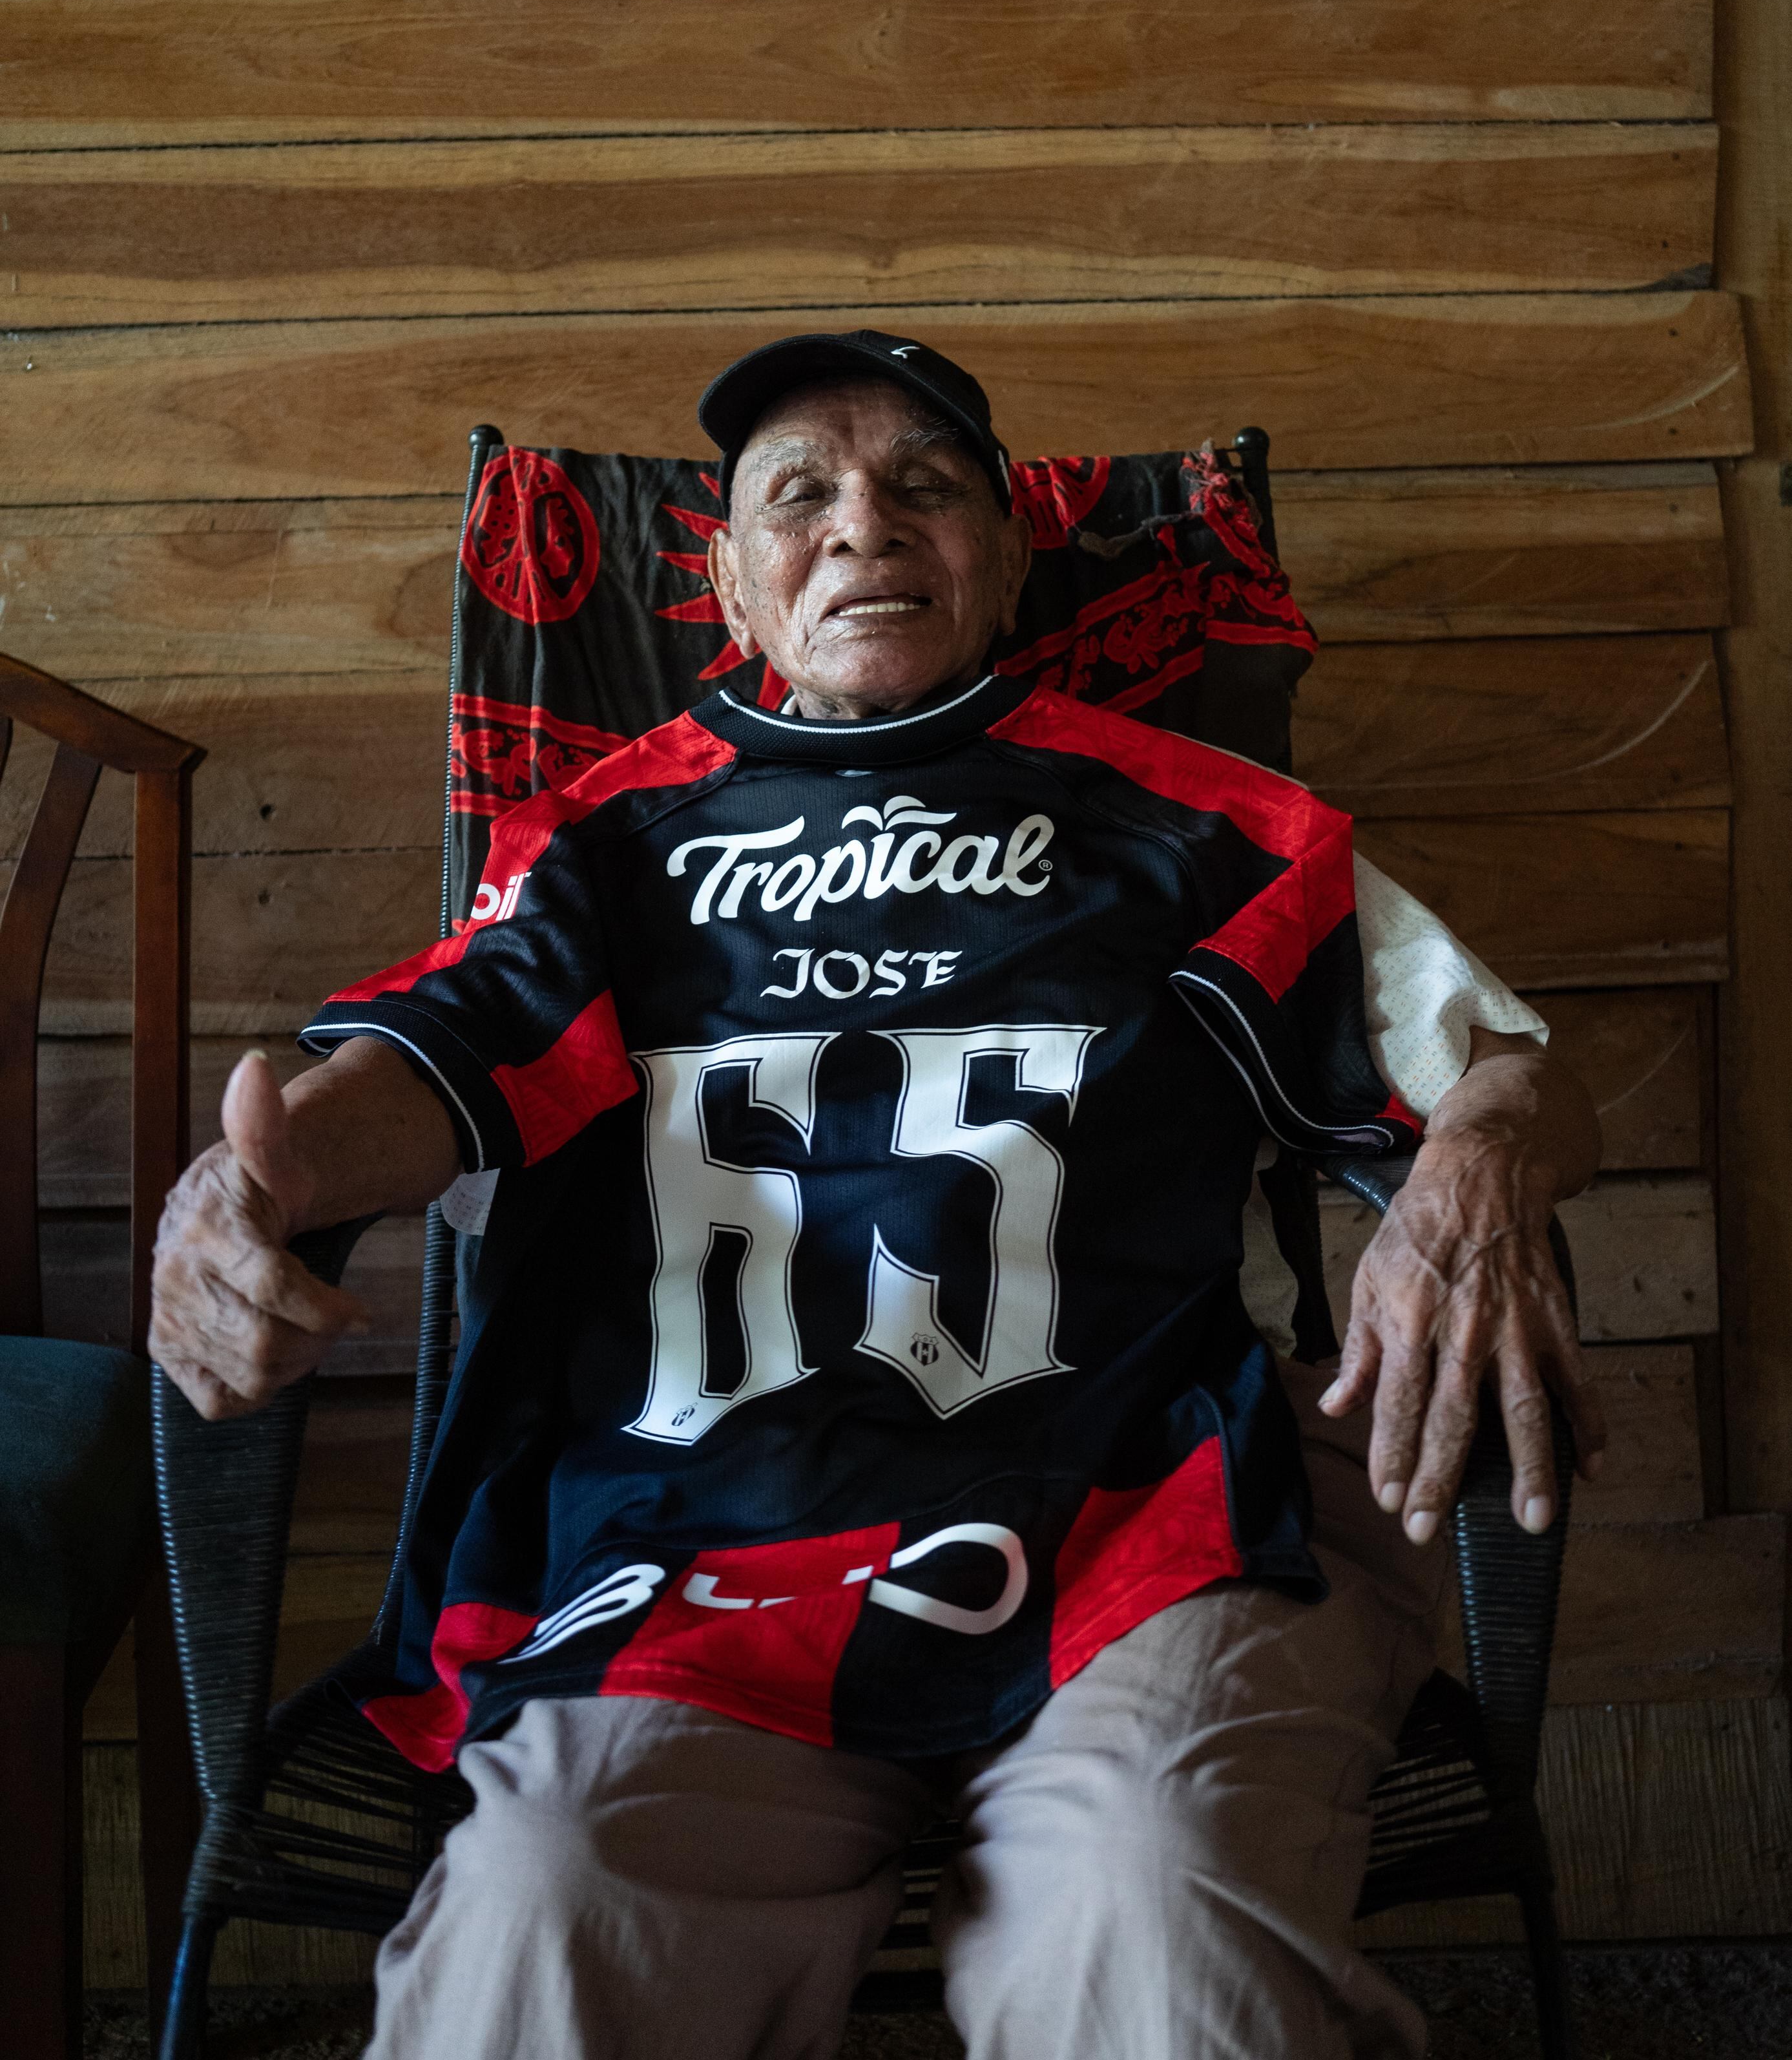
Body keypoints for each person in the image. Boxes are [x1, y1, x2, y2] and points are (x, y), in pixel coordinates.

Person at [152, 329, 1604, 2060]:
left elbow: (1499, 1068)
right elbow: (430, 1069)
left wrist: (1474, 1177)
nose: (863, 527)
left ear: (1001, 559)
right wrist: (252, 1186)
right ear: (725, 583)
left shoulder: (1211, 824)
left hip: (1136, 1522)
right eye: (800, 497)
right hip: (687, 1544)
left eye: (924, 487)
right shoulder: (597, 844)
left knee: (1152, 1910)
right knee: (547, 1916)